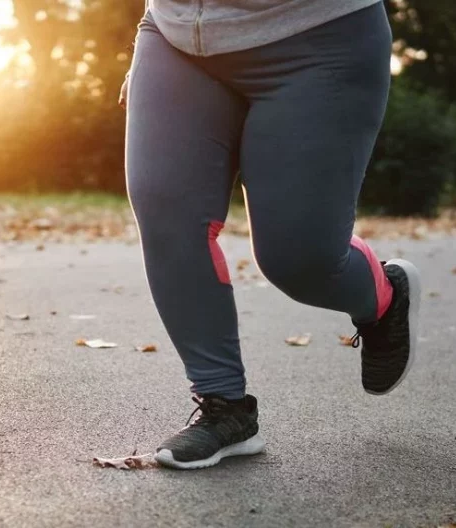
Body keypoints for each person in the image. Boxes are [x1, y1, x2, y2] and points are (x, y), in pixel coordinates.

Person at [120, 0, 422, 470]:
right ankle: (224, 408)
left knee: (297, 259)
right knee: (166, 208)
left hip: (319, 35)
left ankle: (382, 296)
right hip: (176, 33)